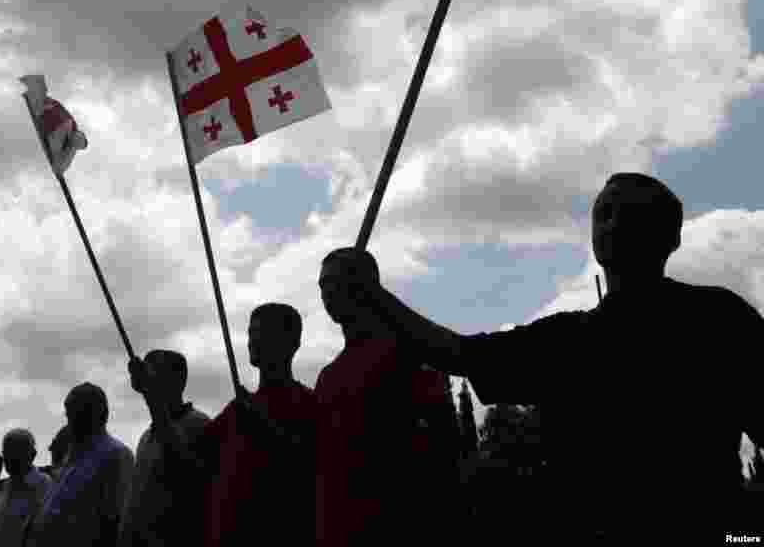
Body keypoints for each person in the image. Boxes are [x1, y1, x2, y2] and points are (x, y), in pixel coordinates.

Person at [326, 173, 764, 542]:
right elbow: (460, 353)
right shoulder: (566, 338)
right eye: (603, 213)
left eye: (629, 213)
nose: (612, 224)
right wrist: (374, 296)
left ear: (671, 237)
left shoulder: (719, 318)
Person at [314, 249, 459, 547]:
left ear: (366, 286)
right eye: (322, 286)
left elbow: (447, 449)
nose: (326, 293)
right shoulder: (328, 377)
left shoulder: (408, 356)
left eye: (334, 282)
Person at [183, 303, 317, 546]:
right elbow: (188, 461)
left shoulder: (309, 404)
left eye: (263, 333)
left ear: (292, 343)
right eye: (251, 333)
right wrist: (155, 400)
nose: (252, 341)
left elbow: (311, 468)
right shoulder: (239, 409)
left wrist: (263, 424)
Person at [24, 383, 134, 547]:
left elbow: (117, 522)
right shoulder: (73, 455)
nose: (70, 422)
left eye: (76, 414)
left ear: (96, 414)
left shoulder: (115, 454)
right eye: (69, 414)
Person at [122, 349, 211, 547]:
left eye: (152, 373)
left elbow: (181, 465)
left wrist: (150, 396)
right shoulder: (147, 436)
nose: (146, 378)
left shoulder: (199, 426)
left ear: (177, 381)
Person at [0, 429, 52, 547]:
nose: (9, 458)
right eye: (7, 452)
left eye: (16, 452)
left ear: (32, 455)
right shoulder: (2, 488)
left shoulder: (43, 486)